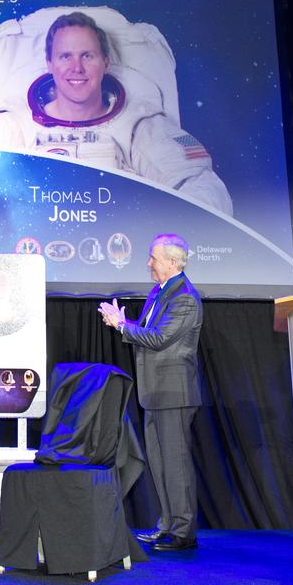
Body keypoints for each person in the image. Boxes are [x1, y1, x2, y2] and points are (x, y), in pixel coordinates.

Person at [0, 11, 233, 215]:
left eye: (87, 56)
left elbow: (203, 192)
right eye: (65, 56)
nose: (76, 67)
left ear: (105, 63)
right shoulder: (14, 124)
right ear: (49, 65)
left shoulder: (139, 125)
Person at [98, 233, 203, 551]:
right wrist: (125, 322)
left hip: (174, 393)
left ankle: (183, 531)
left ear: (173, 262)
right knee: (160, 463)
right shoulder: (160, 291)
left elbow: (158, 338)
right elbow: (149, 331)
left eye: (153, 257)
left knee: (176, 463)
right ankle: (167, 524)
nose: (148, 263)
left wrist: (120, 325)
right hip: (156, 392)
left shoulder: (184, 296)